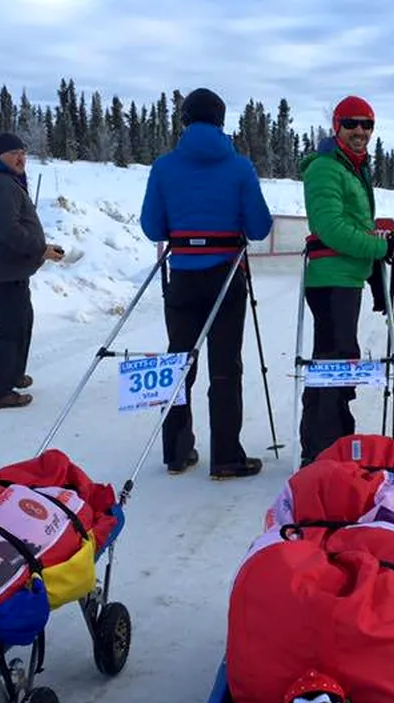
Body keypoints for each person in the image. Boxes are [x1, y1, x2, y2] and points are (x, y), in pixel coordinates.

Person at [140, 87, 274, 479]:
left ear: (184, 121)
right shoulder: (239, 167)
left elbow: (152, 227)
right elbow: (259, 227)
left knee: (179, 361)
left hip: (182, 274)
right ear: (220, 121)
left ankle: (176, 452)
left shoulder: (164, 167)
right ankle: (227, 456)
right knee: (225, 365)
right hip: (226, 273)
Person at [296, 95, 394, 465]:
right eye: (351, 123)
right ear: (336, 127)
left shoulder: (352, 168)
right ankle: (324, 451)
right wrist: (380, 248)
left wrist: (383, 239)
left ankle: (330, 443)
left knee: (337, 360)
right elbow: (331, 228)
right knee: (335, 363)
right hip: (331, 279)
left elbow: (354, 224)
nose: (360, 131)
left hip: (345, 277)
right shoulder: (325, 168)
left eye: (367, 124)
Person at [0, 131, 63, 410]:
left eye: (23, 153)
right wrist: (40, 249)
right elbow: (7, 230)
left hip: (10, 269)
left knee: (23, 321)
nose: (21, 158)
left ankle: (13, 374)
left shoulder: (3, 179)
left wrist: (39, 247)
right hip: (1, 270)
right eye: (14, 154)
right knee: (10, 330)